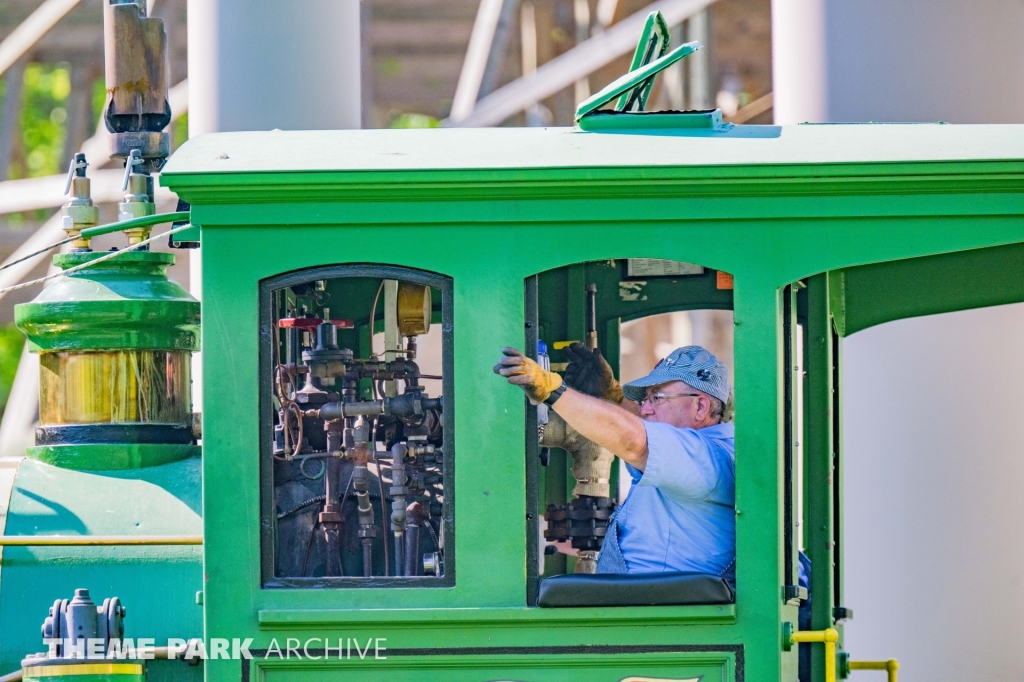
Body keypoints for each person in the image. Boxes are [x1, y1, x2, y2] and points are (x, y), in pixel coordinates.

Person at [494, 343, 735, 579]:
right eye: (645, 400)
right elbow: (642, 429)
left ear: (700, 407)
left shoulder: (704, 456)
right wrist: (613, 397)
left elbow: (634, 439)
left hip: (661, 602)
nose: (645, 410)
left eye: (657, 398)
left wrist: (554, 390)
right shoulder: (703, 451)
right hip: (651, 596)